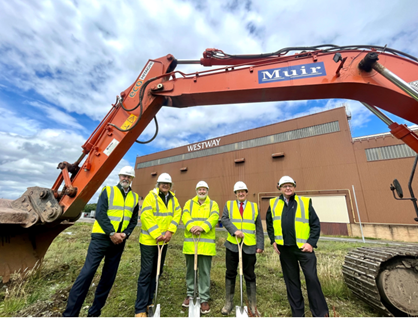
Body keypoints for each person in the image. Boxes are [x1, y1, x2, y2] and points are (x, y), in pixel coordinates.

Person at [63, 166, 139, 317]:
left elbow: (133, 220)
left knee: (108, 278)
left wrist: (125, 234)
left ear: (132, 179)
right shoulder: (108, 191)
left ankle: (94, 313)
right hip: (101, 238)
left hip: (119, 242)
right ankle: (70, 314)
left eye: (129, 177)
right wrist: (111, 233)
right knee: (87, 273)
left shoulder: (135, 197)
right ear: (119, 176)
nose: (126, 179)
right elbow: (100, 213)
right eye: (124, 176)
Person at [266, 176, 329, 317]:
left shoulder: (304, 202)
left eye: (290, 185)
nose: (287, 188)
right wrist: (273, 241)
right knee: (292, 281)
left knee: (312, 278)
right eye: (284, 186)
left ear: (294, 187)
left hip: (304, 249)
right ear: (280, 188)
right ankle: (298, 313)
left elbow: (315, 224)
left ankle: (320, 313)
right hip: (285, 249)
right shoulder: (273, 203)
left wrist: (311, 243)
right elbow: (270, 224)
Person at [135, 173, 182, 317]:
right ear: (158, 184)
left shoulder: (173, 199)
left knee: (157, 272)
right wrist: (157, 234)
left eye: (167, 184)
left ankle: (150, 301)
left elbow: (177, 214)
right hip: (150, 242)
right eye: (163, 183)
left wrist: (170, 232)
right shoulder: (151, 197)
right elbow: (146, 216)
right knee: (146, 273)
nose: (165, 185)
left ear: (170, 186)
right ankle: (140, 308)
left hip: (164, 241)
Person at [221, 181, 264, 317]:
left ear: (246, 193)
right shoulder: (229, 205)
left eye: (243, 191)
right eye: (238, 192)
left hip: (249, 246)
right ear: (235, 194)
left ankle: (252, 305)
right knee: (230, 273)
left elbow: (259, 228)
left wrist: (260, 245)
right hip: (232, 245)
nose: (241, 193)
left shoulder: (254, 207)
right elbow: (225, 219)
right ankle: (228, 303)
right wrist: (235, 231)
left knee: (250, 274)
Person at [181, 181, 219, 314]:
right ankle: (190, 294)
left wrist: (202, 227)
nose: (202, 191)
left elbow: (214, 217)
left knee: (204, 272)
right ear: (196, 190)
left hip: (206, 246)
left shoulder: (213, 204)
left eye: (204, 189)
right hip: (191, 244)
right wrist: (192, 226)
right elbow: (185, 215)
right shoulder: (189, 203)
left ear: (207, 190)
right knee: (190, 270)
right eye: (200, 189)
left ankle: (203, 298)